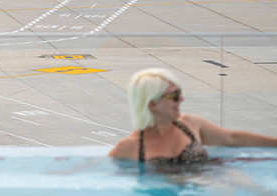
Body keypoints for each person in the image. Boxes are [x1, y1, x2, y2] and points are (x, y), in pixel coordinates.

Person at [109, 68, 277, 167]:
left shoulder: (190, 124)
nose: (181, 99)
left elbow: (232, 138)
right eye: (174, 96)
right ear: (152, 104)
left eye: (179, 93)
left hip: (215, 186)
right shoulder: (128, 148)